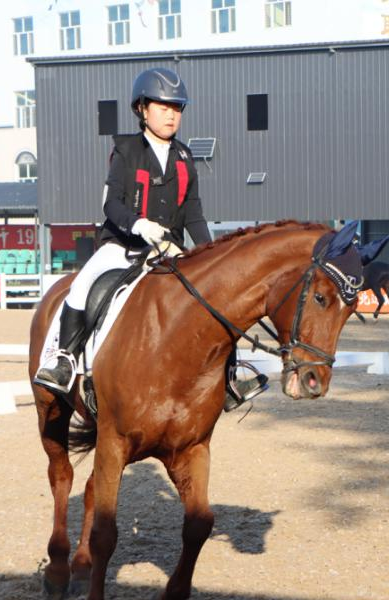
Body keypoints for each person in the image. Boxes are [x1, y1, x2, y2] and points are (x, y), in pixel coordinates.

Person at [33, 67, 266, 411]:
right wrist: (139, 225)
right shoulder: (125, 150)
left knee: (213, 295)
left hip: (169, 250)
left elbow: (194, 213)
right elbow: (111, 203)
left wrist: (211, 254)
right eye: (163, 107)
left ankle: (230, 375)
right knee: (82, 284)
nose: (172, 115)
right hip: (123, 245)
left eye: (177, 109)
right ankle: (63, 358)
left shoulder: (185, 157)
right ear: (142, 109)